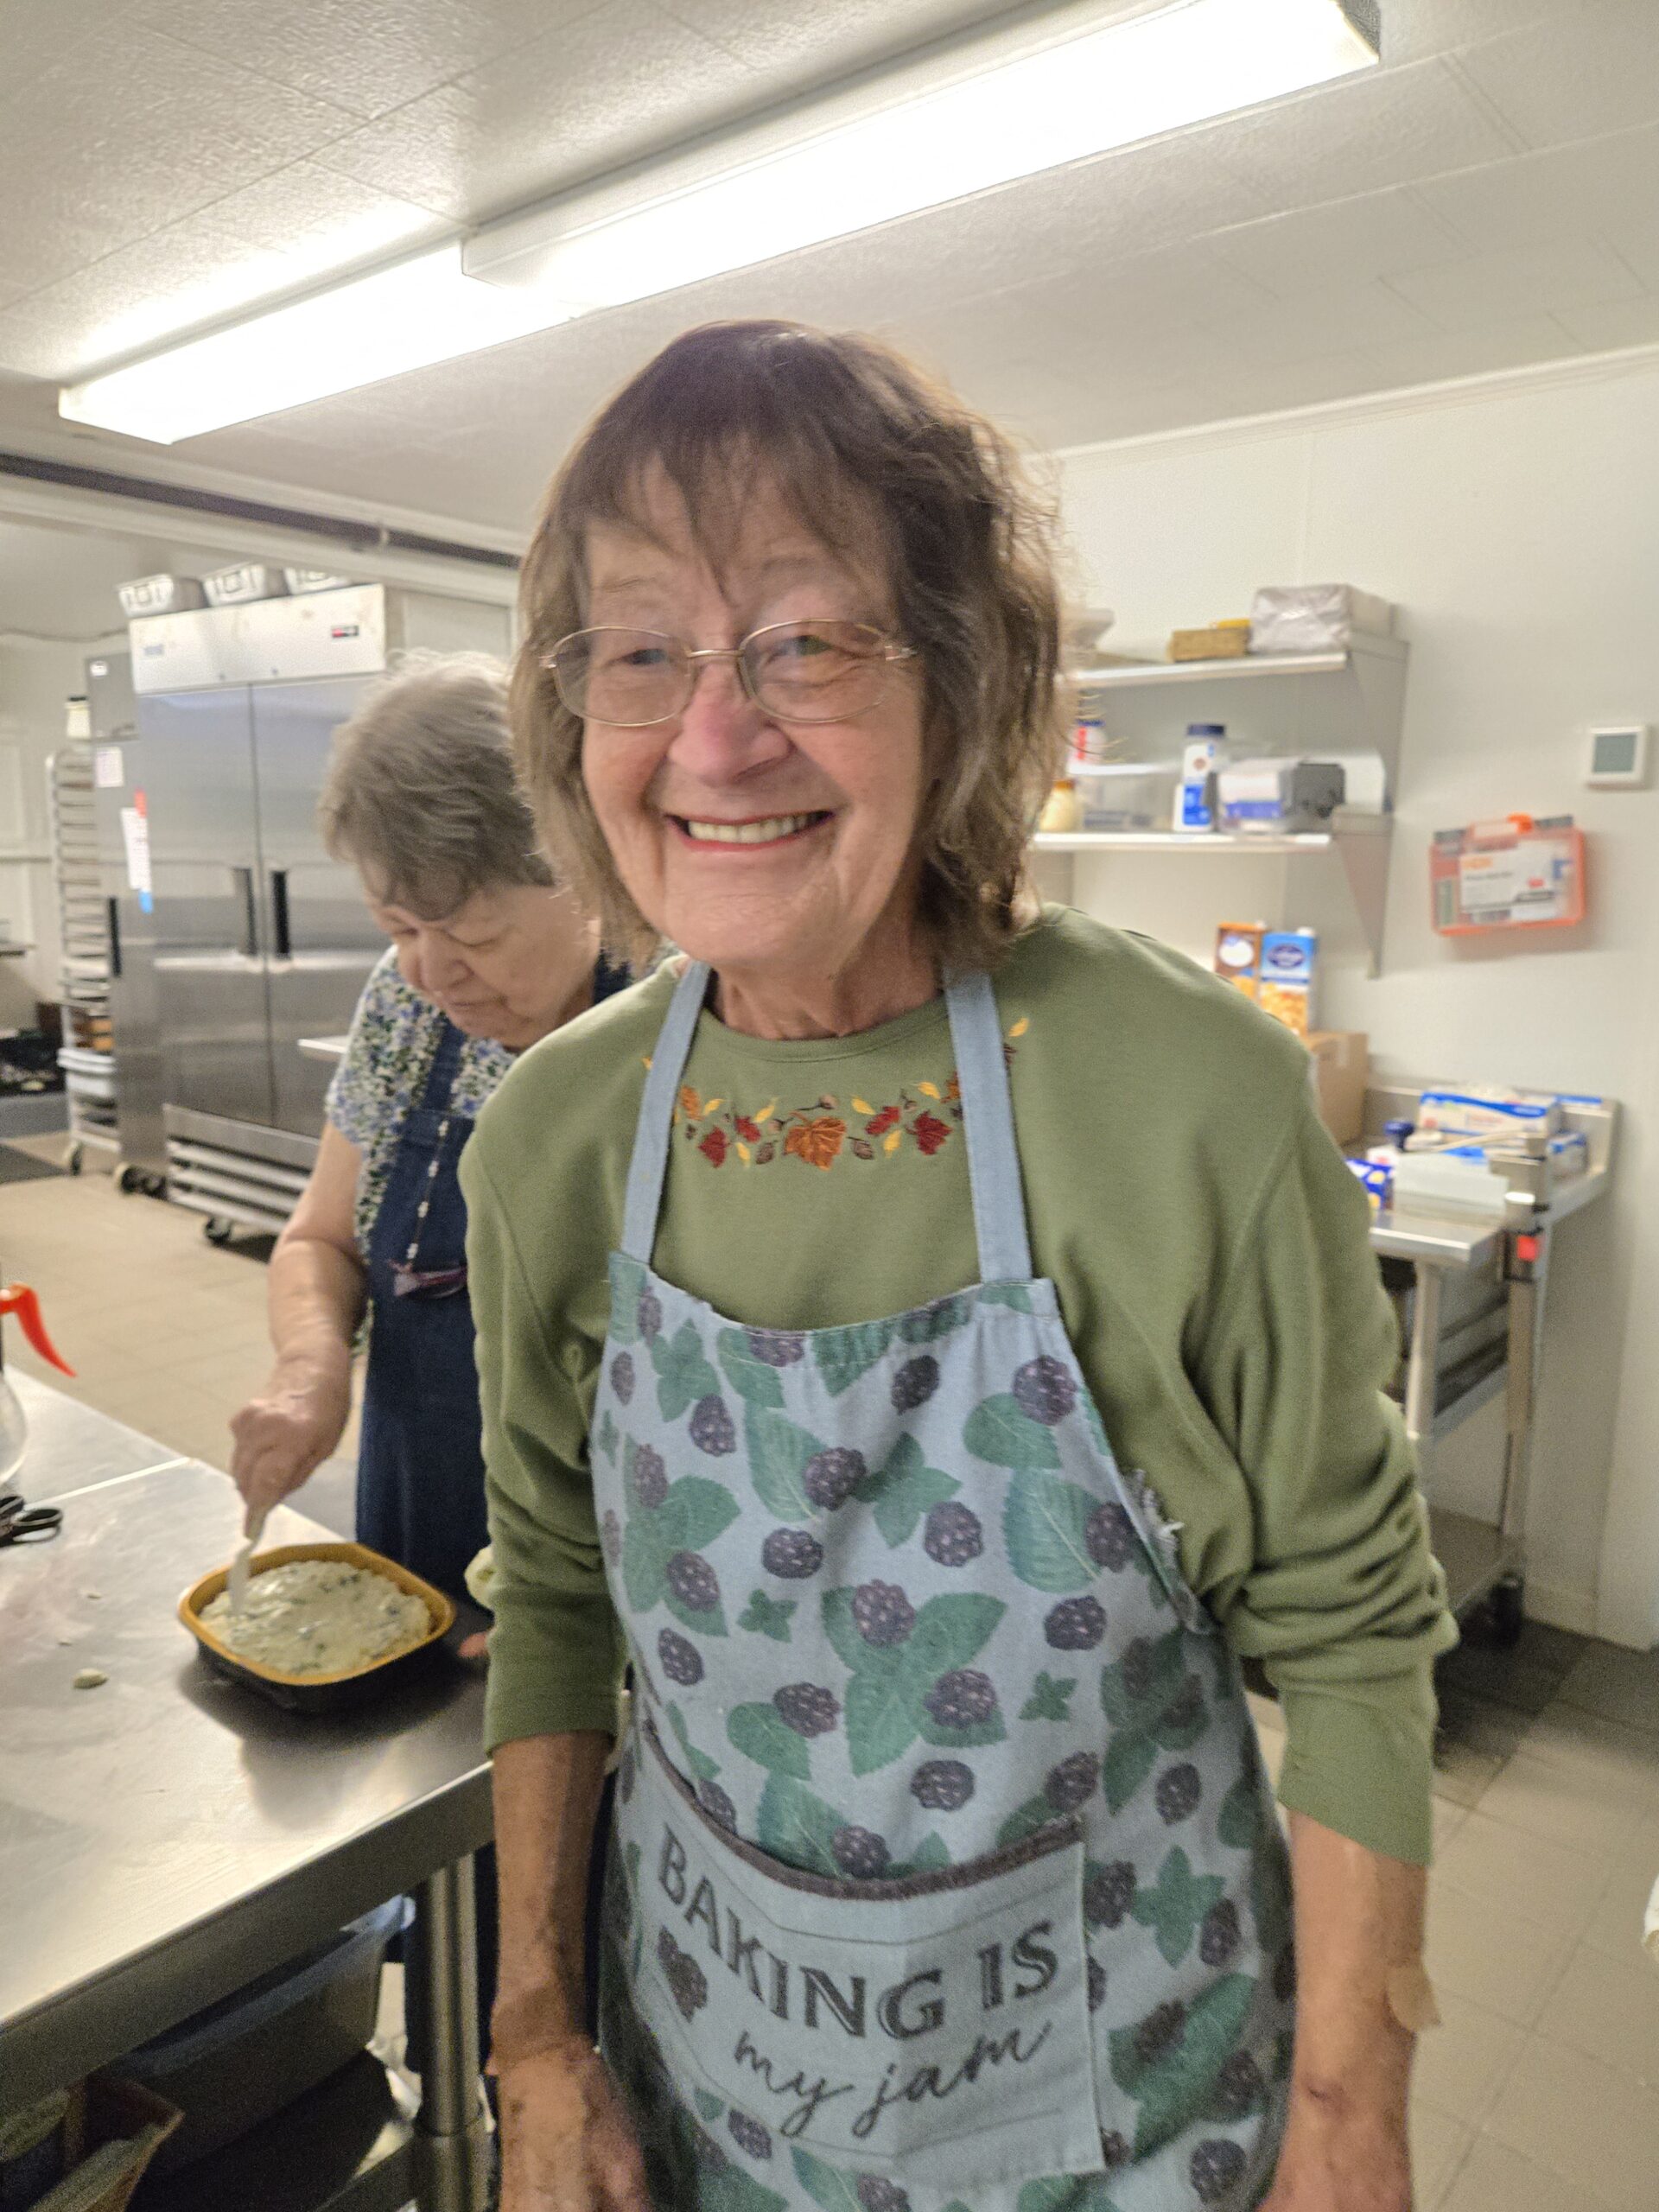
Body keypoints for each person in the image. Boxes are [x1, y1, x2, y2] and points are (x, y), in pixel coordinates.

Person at [463, 322, 1456, 2212]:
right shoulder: (555, 1138)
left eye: (809, 640)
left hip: (1136, 2136)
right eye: (642, 649)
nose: (716, 737)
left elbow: (1351, 1636)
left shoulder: (1191, 1100)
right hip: (716, 2112)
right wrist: (535, 2036)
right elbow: (560, 1602)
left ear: (964, 678)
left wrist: (1350, 2120)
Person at [227, 652, 627, 2050]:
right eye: (398, 928)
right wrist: (309, 1371)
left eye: (468, 930)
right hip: (419, 1538)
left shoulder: (675, 1028)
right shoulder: (409, 1012)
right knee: (451, 1931)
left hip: (608, 1617)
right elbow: (321, 1239)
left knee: (589, 1968)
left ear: (586, 863)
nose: (432, 970)